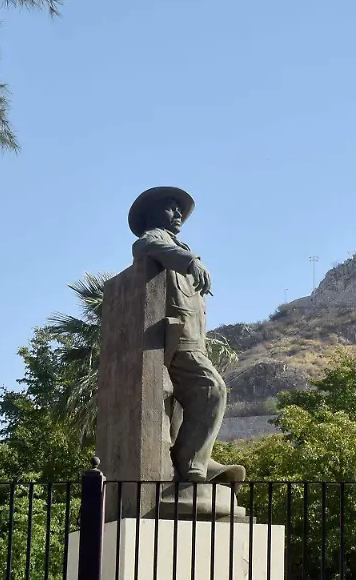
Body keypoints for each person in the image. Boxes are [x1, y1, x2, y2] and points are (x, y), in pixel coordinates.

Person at [128, 186, 245, 489]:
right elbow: (145, 247)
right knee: (212, 389)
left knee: (186, 406)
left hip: (195, 342)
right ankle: (190, 461)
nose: (178, 213)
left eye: (180, 209)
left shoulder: (178, 249)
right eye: (170, 207)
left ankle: (196, 458)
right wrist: (190, 260)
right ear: (153, 214)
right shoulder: (152, 240)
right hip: (174, 342)